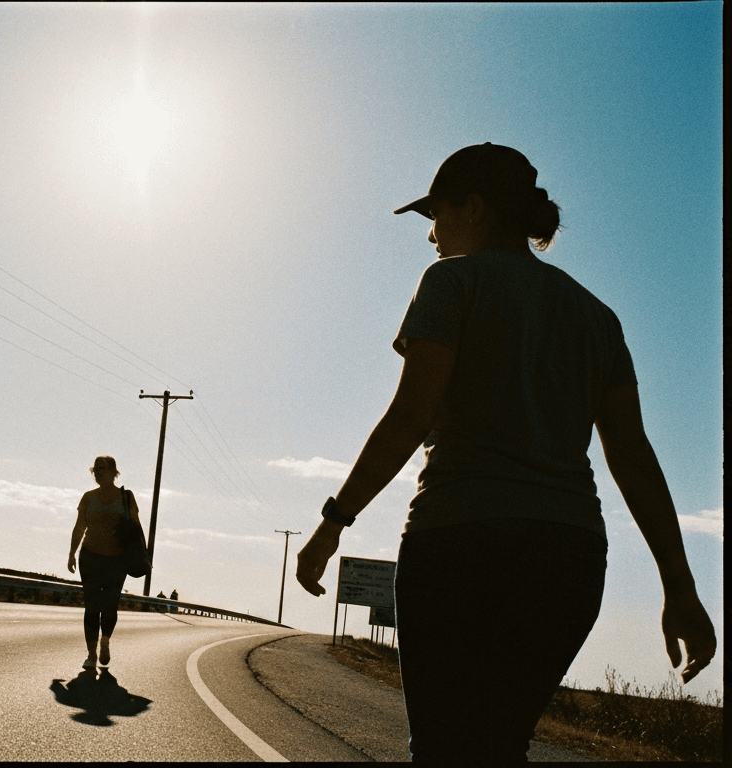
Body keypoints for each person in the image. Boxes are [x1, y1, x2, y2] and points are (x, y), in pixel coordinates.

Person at [293, 143, 716, 762]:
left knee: (445, 746)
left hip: (460, 540)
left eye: (436, 215)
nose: (431, 235)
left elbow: (411, 416)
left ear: (475, 208)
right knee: (501, 743)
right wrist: (679, 588)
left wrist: (332, 523)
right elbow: (632, 455)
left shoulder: (451, 282)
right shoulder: (599, 317)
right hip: (568, 557)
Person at [68, 455, 148, 670]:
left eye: (104, 469)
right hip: (90, 556)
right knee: (92, 605)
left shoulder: (126, 497)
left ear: (114, 472)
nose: (100, 472)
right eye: (97, 469)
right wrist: (71, 553)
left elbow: (136, 527)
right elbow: (79, 527)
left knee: (110, 605)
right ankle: (91, 654)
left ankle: (105, 642)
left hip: (117, 559)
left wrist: (142, 555)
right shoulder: (88, 497)